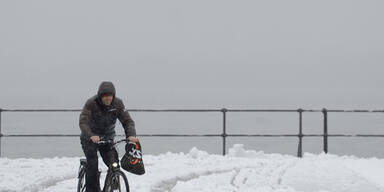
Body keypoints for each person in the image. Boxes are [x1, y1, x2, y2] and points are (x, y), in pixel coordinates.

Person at [79, 81, 137, 192]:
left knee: (114, 164)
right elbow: (83, 122)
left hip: (107, 139)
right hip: (90, 139)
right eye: (105, 96)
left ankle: (111, 186)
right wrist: (91, 135)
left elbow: (127, 121)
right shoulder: (91, 103)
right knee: (93, 164)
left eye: (110, 96)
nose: (107, 99)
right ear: (100, 96)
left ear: (113, 96)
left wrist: (131, 135)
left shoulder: (118, 104)